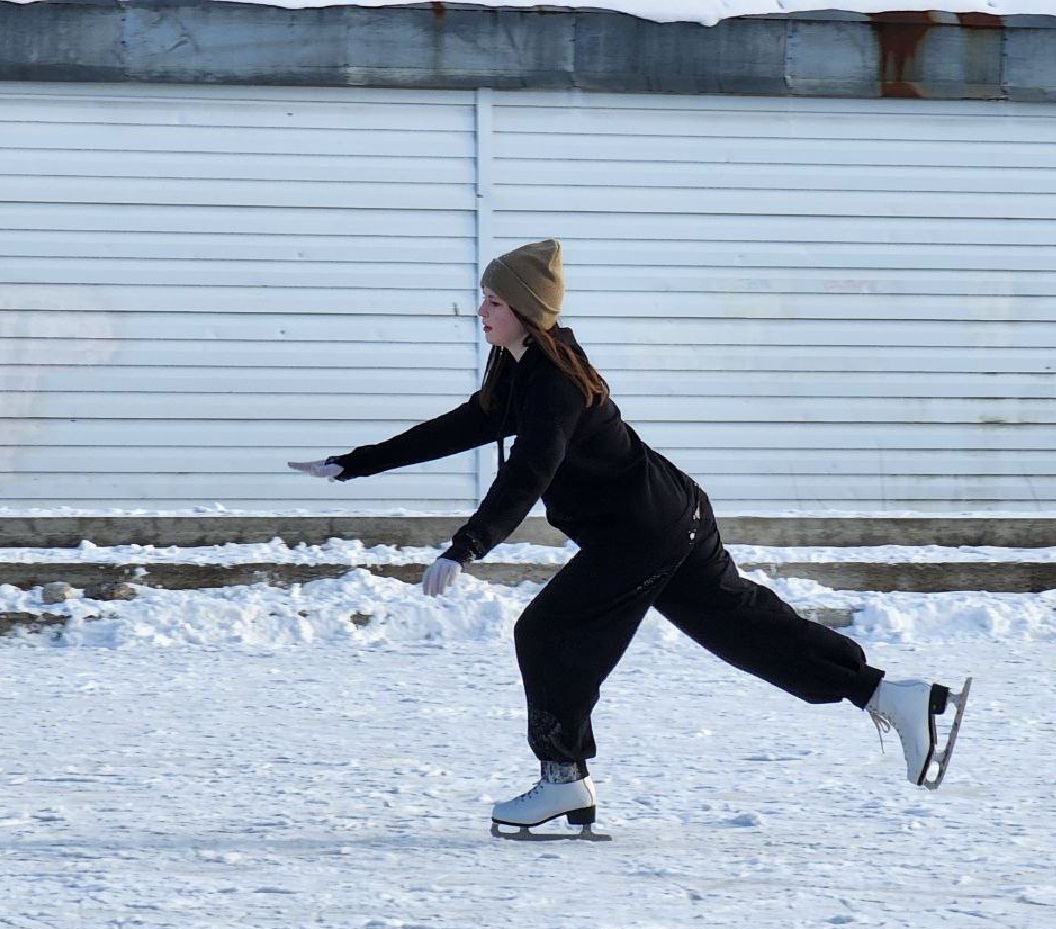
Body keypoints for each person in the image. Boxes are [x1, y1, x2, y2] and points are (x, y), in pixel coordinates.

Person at [290, 239, 968, 837]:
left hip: (642, 531)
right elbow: (461, 426)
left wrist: (468, 545)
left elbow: (531, 469)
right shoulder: (526, 368)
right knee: (745, 629)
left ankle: (563, 778)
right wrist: (357, 462)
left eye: (492, 301)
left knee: (548, 632)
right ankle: (886, 695)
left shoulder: (553, 383)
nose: (481, 312)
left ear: (524, 309)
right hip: (669, 515)